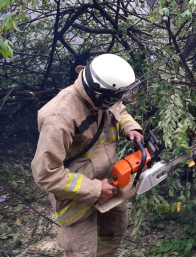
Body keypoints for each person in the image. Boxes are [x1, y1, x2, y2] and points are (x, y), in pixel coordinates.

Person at [31, 53, 144, 256]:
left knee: (115, 230)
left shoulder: (107, 93)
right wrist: (94, 189)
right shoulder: (59, 119)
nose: (117, 101)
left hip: (109, 181)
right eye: (113, 98)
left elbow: (119, 108)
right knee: (82, 250)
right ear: (99, 94)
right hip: (76, 196)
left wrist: (130, 127)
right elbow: (45, 174)